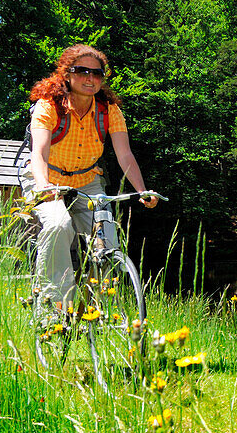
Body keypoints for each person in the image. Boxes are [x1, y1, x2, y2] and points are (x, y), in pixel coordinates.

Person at [20, 44, 157, 314]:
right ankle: (54, 308)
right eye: (82, 71)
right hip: (47, 177)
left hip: (87, 180)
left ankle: (98, 311)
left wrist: (142, 190)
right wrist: (44, 186)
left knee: (107, 242)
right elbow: (38, 153)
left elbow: (125, 155)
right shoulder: (49, 106)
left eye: (97, 73)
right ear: (66, 74)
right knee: (59, 225)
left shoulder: (109, 111)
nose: (90, 78)